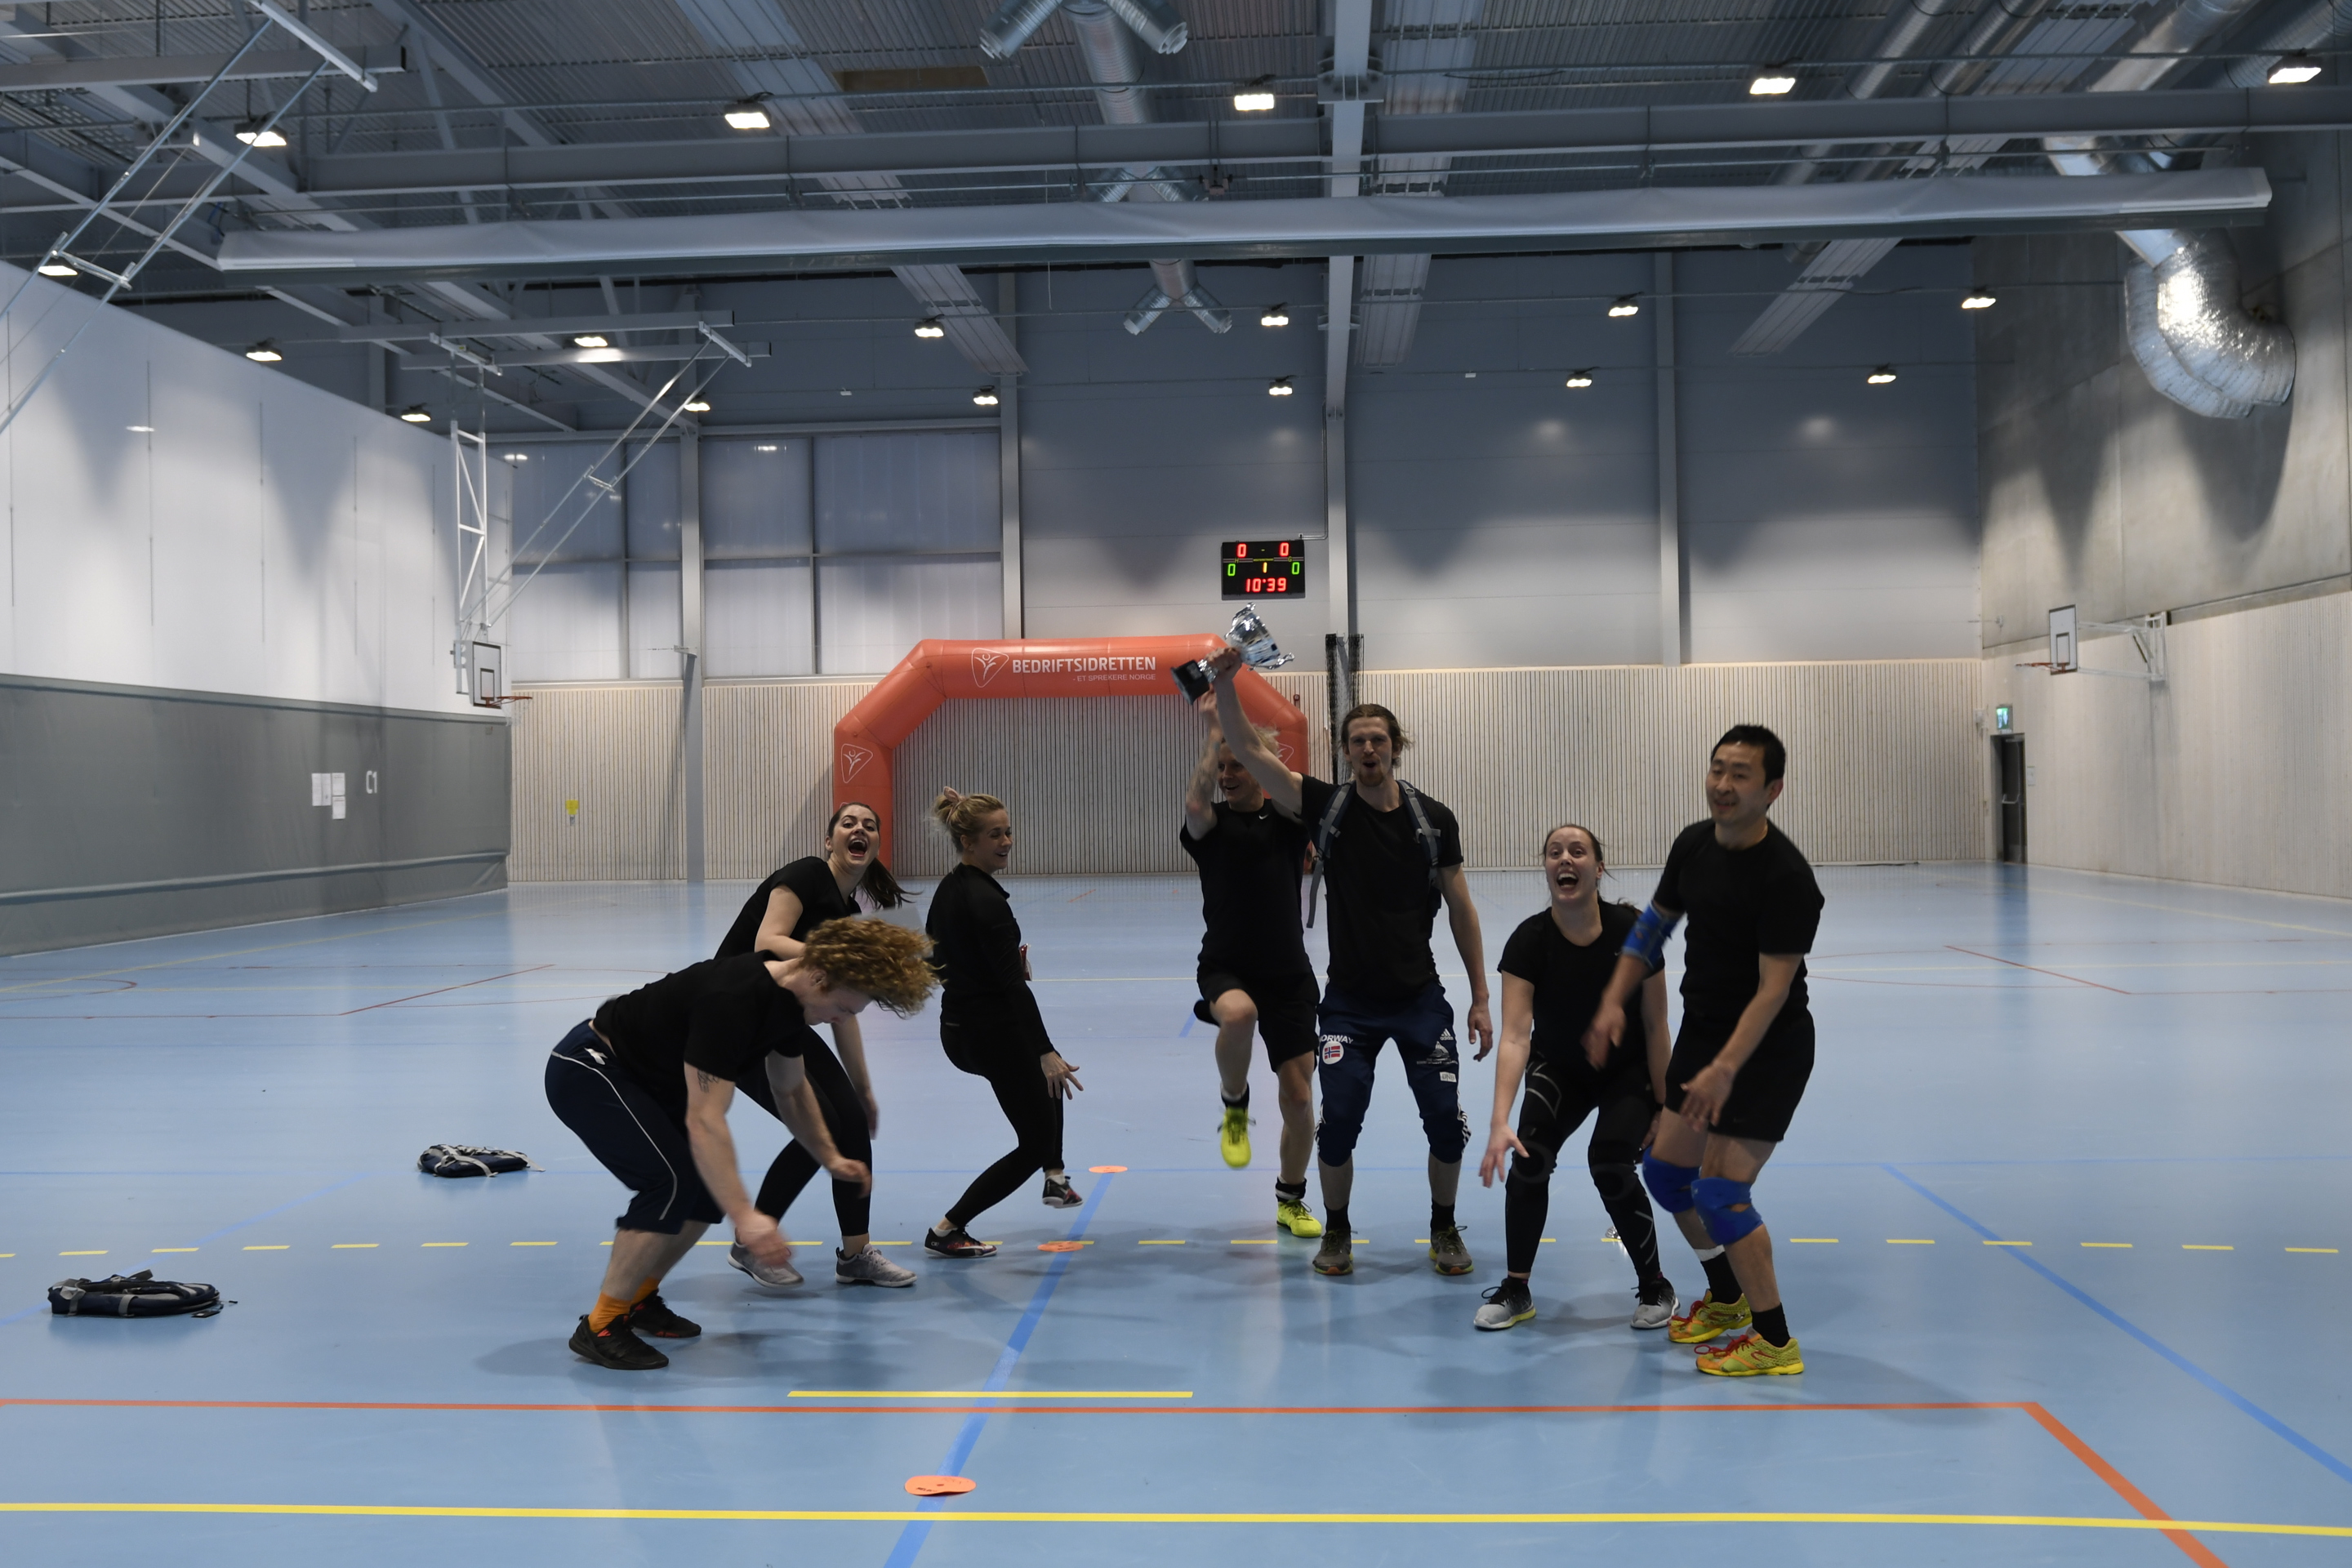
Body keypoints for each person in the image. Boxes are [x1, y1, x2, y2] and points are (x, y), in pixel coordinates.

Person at [544, 918, 937, 1370]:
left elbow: (792, 1090)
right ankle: (602, 1325)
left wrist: (829, 1156)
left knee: (706, 1194)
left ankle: (638, 1298)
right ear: (818, 976)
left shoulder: (789, 1004)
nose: (841, 1021)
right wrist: (747, 1217)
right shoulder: (731, 1001)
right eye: (844, 1009)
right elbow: (706, 1120)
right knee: (671, 1183)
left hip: (647, 1078)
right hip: (591, 1068)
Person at [1209, 648, 1491, 1279]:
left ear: (1396, 747)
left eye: (1378, 740)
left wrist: (1479, 997)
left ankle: (1444, 1227)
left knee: (1445, 1125)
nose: (1368, 749)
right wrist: (1228, 683)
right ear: (1345, 751)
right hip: (1349, 1007)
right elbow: (1249, 750)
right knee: (1336, 1127)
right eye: (1358, 740)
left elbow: (1461, 909)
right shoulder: (1326, 807)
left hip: (1420, 1000)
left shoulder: (1432, 819)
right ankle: (1336, 1230)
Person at [1585, 724, 1824, 1377]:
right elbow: (1653, 927)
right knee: (1667, 1175)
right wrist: (1613, 1000)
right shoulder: (1694, 844)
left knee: (1721, 1192)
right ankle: (1726, 1296)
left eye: (1741, 774)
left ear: (1772, 790)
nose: (1723, 784)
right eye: (1718, 769)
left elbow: (1774, 991)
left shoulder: (1787, 878)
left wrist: (1725, 1068)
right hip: (1705, 1033)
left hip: (1767, 1051)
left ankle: (1775, 1342)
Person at [1474, 823, 1678, 1331]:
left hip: (1627, 1070)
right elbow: (1516, 1038)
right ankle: (1517, 1289)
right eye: (1555, 852)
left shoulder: (1635, 931)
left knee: (1609, 1161)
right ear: (1546, 869)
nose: (1565, 859)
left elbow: (1657, 1026)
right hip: (1560, 1068)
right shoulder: (1528, 941)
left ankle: (1655, 1285)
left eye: (1578, 851)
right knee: (1528, 1160)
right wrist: (1500, 1121)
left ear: (1598, 868)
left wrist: (1663, 1107)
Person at [713, 802, 915, 1292]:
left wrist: (863, 1089)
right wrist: (841, 960)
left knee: (851, 1120)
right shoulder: (805, 874)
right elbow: (768, 939)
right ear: (830, 841)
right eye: (848, 822)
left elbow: (843, 1011)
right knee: (818, 1121)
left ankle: (856, 1254)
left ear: (875, 845)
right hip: (735, 1017)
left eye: (869, 825)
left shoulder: (848, 915)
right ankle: (750, 1243)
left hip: (782, 1019)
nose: (859, 829)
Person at [1179, 698, 1321, 1237]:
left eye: (1238, 764)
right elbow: (1196, 802)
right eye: (1222, 767)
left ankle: (1290, 1199)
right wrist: (1214, 737)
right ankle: (1234, 1105)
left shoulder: (1287, 822)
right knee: (1238, 1016)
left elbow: (1293, 792)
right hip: (1226, 966)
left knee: (1300, 1101)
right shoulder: (1210, 826)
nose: (1226, 775)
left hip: (1288, 975)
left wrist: (1244, 742)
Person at [922, 789, 1085, 1258]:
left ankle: (1055, 1177)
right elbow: (1015, 990)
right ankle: (948, 1228)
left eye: (1008, 831)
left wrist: (990, 969)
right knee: (1034, 1137)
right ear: (968, 842)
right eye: (995, 835)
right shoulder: (988, 903)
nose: (1007, 841)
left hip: (959, 1028)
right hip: (988, 1033)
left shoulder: (951, 888)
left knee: (1050, 1081)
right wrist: (1044, 1049)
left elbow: (934, 961)